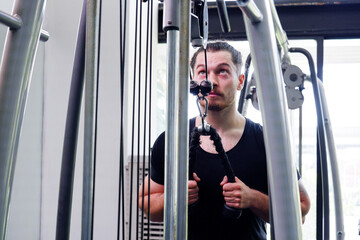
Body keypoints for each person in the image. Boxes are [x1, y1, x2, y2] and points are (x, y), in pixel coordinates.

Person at [139, 41, 310, 239]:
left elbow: (302, 207)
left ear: (240, 81)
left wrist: (252, 198)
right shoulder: (170, 140)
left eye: (222, 72)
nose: (211, 81)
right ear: (193, 79)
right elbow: (146, 203)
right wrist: (174, 199)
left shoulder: (267, 140)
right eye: (203, 72)